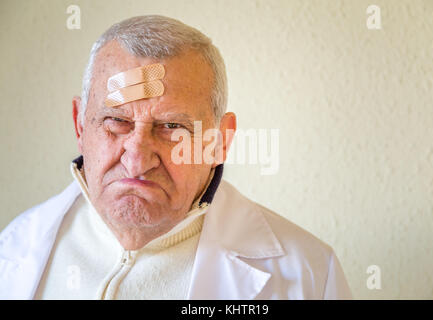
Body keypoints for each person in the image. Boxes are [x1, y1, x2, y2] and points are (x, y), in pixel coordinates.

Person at [0, 15, 351, 300]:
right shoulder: (10, 251)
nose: (137, 159)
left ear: (220, 141)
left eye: (171, 126)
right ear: (80, 124)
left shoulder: (309, 276)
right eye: (117, 122)